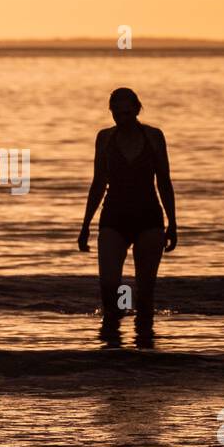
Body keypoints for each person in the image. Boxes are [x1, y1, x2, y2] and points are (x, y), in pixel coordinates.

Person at [77, 88, 177, 342]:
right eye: (117, 112)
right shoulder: (104, 138)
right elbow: (98, 182)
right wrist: (85, 224)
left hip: (149, 218)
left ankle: (144, 353)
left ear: (137, 109)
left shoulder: (154, 137)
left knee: (145, 293)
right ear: (110, 111)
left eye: (127, 112)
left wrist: (173, 223)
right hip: (113, 217)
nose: (122, 117)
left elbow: (164, 181)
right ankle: (113, 350)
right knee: (109, 287)